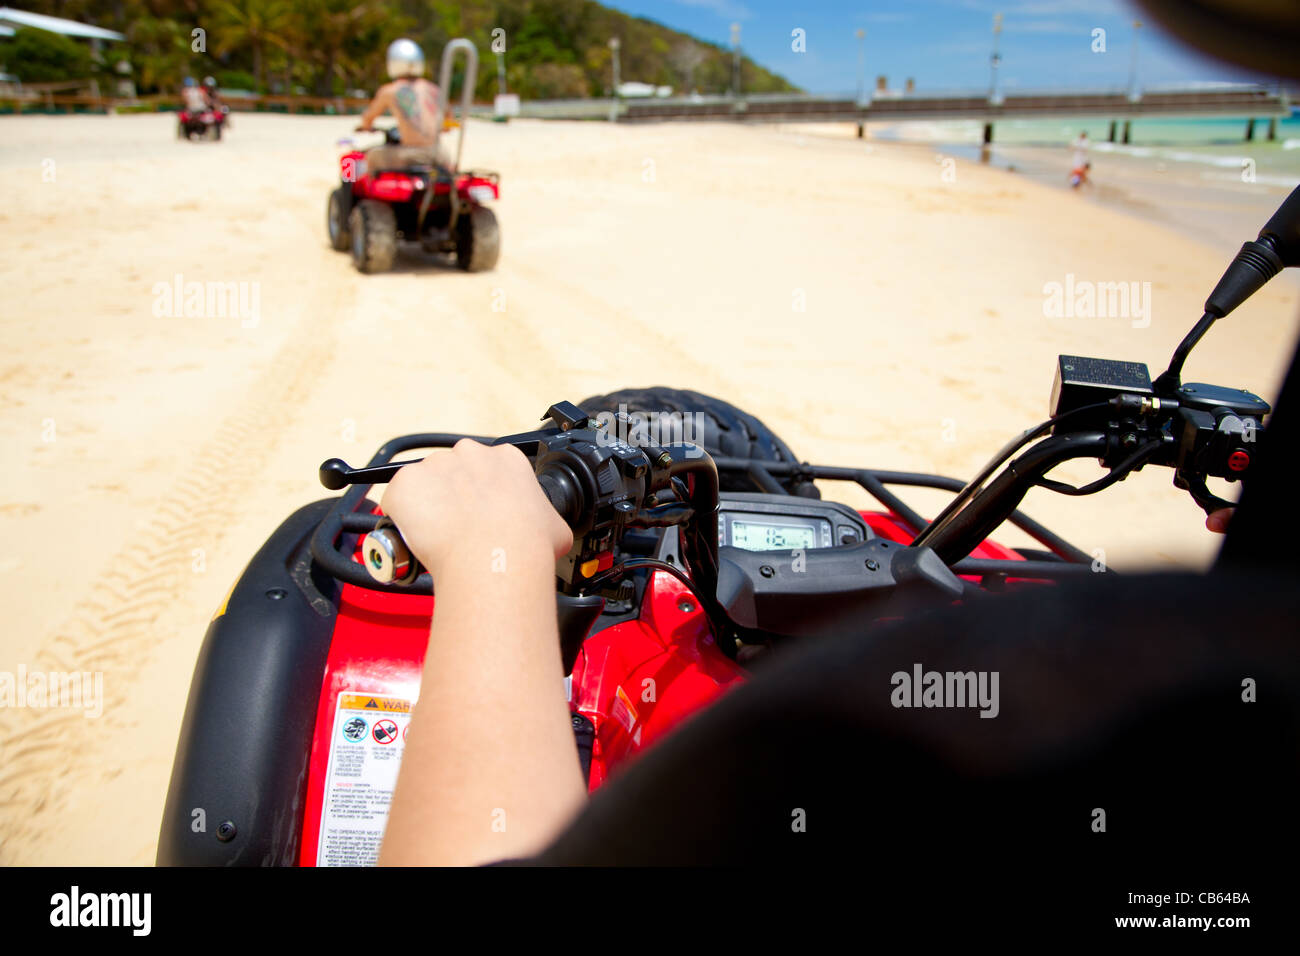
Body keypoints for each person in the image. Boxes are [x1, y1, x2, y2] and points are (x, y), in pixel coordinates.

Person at [356, 38, 450, 171]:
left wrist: (366, 127)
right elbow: (448, 123)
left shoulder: (390, 90)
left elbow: (368, 118)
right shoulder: (434, 90)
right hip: (440, 154)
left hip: (411, 155)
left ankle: (364, 191)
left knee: (370, 156)